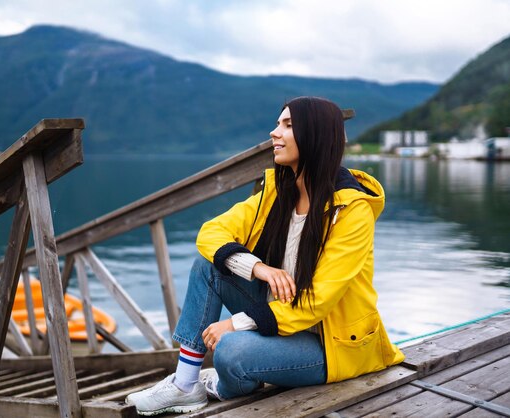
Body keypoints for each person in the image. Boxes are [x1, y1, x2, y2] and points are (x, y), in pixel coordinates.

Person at [126, 96, 405, 416]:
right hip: (281, 318)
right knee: (208, 266)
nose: (274, 133)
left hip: (331, 345)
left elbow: (317, 302)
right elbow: (210, 233)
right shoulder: (276, 193)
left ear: (315, 135)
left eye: (287, 125)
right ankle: (186, 384)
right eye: (277, 123)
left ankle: (223, 384)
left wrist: (236, 324)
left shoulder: (352, 211)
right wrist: (257, 268)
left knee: (230, 352)